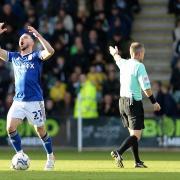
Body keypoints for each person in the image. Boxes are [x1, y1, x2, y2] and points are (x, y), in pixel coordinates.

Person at [0, 22, 55, 170]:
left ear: (31, 42)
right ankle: (20, 155)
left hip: (35, 101)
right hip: (18, 101)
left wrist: (39, 36)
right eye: (20, 38)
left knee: (40, 131)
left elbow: (50, 51)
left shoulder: (36, 56)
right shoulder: (15, 57)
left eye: (25, 37)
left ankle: (50, 157)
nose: (21, 39)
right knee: (10, 128)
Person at [109, 42, 161, 168]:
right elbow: (146, 87)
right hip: (133, 103)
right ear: (139, 53)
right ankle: (118, 152)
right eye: (143, 53)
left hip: (122, 102)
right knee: (136, 136)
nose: (143, 55)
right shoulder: (139, 66)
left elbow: (117, 58)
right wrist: (154, 102)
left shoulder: (125, 63)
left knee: (133, 135)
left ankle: (137, 161)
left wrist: (114, 53)